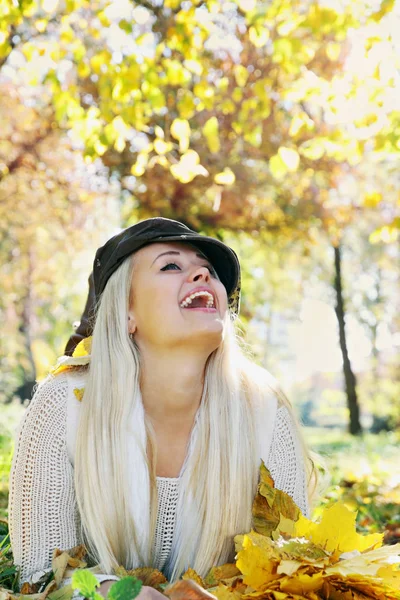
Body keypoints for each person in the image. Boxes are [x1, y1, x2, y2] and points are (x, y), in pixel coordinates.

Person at [9, 217, 315, 599]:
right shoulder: (64, 405)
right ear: (126, 314)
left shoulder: (266, 411)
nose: (202, 274)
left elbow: (293, 573)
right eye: (171, 265)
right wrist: (122, 595)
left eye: (207, 269)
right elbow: (39, 573)